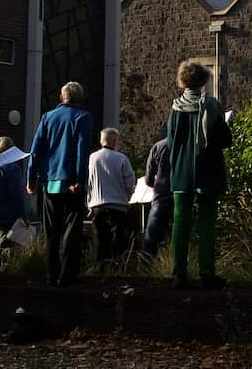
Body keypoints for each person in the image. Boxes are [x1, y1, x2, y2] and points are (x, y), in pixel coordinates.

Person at [167, 61, 232, 290]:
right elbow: (226, 140)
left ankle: (179, 273)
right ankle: (206, 272)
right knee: (206, 222)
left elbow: (171, 142)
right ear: (204, 81)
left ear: (182, 81)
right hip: (207, 170)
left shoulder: (175, 109)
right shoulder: (212, 106)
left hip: (182, 172)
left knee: (180, 222)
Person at [27, 81, 93, 287]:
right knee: (72, 230)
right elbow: (82, 151)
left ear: (61, 97)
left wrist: (31, 179)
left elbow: (35, 150)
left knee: (52, 231)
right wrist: (79, 180)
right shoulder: (84, 117)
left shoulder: (47, 117)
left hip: (49, 181)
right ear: (80, 98)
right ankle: (68, 275)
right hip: (72, 181)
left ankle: (51, 274)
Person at [87, 128, 137, 264]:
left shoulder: (93, 157)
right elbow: (130, 181)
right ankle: (116, 267)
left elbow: (89, 182)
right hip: (118, 206)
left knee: (101, 240)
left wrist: (89, 202)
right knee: (118, 240)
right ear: (115, 141)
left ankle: (99, 268)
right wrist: (127, 197)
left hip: (98, 205)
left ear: (101, 140)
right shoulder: (122, 158)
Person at [0, 136, 31, 258]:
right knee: (3, 254)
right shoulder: (12, 168)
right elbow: (16, 194)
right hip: (7, 218)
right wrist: (24, 216)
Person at [142, 135, 173, 258]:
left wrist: (155, 183)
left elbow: (148, 178)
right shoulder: (189, 146)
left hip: (161, 195)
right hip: (182, 195)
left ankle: (147, 265)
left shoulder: (159, 146)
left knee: (151, 236)